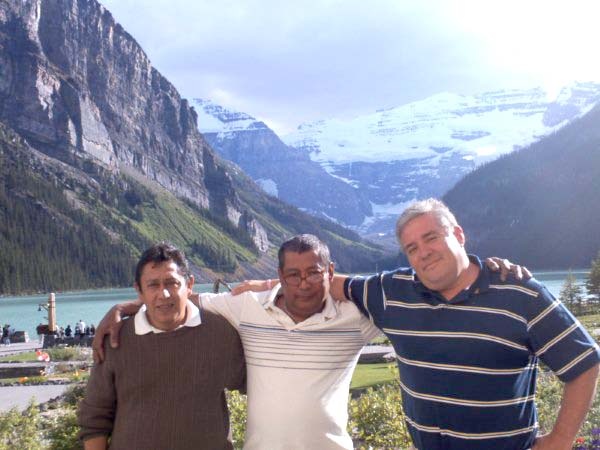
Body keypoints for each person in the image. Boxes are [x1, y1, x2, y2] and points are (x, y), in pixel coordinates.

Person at [328, 198, 599, 450]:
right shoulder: (391, 292)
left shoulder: (519, 293)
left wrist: (559, 441)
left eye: (430, 238)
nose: (423, 253)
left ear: (458, 235)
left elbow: (585, 362)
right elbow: (322, 284)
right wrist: (286, 284)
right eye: (412, 248)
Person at [94, 234, 381, 449]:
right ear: (281, 275)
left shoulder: (354, 318)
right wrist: (126, 307)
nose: (303, 283)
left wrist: (269, 283)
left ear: (330, 272)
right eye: (293, 274)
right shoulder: (247, 307)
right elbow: (180, 298)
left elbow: (404, 297)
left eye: (314, 273)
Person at [78, 242, 245, 450]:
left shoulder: (220, 333)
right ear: (139, 290)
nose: (163, 294)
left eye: (172, 283)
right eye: (153, 285)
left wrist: (265, 288)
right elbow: (95, 418)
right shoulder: (115, 339)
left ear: (189, 284)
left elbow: (257, 384)